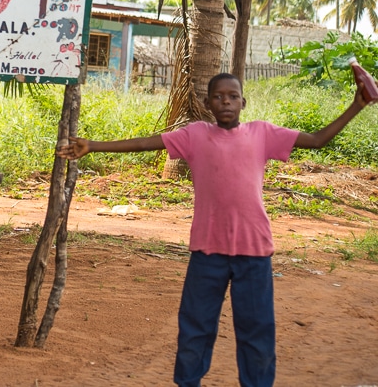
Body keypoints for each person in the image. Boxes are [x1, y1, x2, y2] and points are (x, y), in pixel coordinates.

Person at [56, 72, 372, 387]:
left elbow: (318, 140)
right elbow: (143, 143)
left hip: (254, 252)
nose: (226, 101)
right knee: (196, 327)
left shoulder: (262, 133)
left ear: (243, 103)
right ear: (208, 104)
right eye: (218, 97)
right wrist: (94, 146)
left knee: (256, 330)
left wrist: (357, 105)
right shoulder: (194, 135)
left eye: (233, 96)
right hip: (208, 253)